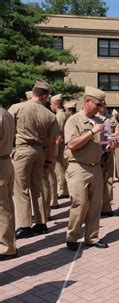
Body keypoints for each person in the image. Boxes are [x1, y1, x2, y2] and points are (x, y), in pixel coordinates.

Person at [64, 86, 118, 251]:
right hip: (78, 167)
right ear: (87, 101)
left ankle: (92, 238)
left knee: (95, 205)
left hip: (96, 167)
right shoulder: (74, 120)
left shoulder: (102, 121)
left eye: (102, 105)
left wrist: (110, 145)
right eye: (98, 105)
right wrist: (91, 132)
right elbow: (72, 144)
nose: (100, 108)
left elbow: (104, 145)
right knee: (80, 204)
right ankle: (72, 237)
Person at [9, 80, 59, 238]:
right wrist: (48, 161)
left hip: (23, 149)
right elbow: (53, 142)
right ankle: (41, 223)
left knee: (21, 188)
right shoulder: (50, 115)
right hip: (40, 152)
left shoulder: (17, 107)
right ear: (44, 96)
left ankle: (25, 226)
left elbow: (6, 129)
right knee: (37, 188)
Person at [0, 105, 16, 261]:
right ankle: (9, 243)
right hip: (6, 161)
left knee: (2, 208)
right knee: (7, 205)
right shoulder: (6, 113)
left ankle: (6, 247)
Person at [96, 103, 118, 217]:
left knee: (109, 179)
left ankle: (106, 206)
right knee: (97, 181)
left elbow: (117, 134)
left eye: (104, 104)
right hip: (97, 153)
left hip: (109, 152)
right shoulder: (92, 119)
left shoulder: (110, 120)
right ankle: (96, 207)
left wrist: (116, 138)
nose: (104, 106)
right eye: (101, 104)